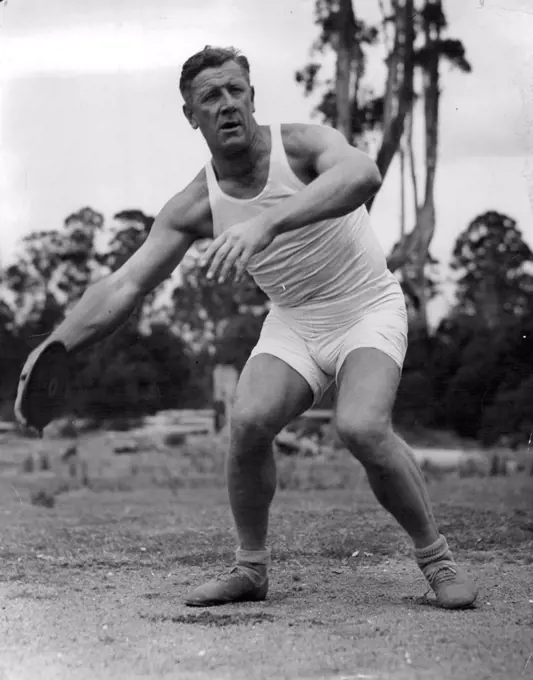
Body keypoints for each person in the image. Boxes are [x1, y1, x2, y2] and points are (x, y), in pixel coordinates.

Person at [15, 45, 477, 610]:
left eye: (237, 90)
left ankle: (437, 559)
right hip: (295, 321)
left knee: (360, 426)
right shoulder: (194, 203)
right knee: (250, 421)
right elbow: (126, 284)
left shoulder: (302, 145)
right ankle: (250, 569)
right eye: (211, 96)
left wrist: (268, 224)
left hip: (366, 307)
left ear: (253, 97)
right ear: (191, 116)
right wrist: (57, 345)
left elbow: (364, 173)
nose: (227, 104)